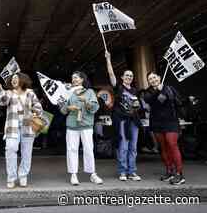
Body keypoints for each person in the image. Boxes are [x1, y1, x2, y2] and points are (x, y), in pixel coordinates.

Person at [0, 73, 43, 189]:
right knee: (10, 148)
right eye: (12, 79)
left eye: (16, 78)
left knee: (26, 152)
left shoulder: (30, 92)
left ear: (22, 80)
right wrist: (0, 89)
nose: (14, 80)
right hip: (12, 125)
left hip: (28, 124)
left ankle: (23, 175)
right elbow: (1, 101)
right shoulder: (9, 93)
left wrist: (34, 112)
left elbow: (39, 108)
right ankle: (11, 177)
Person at [60, 71, 103, 185]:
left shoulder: (89, 92)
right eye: (72, 78)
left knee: (88, 149)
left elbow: (95, 107)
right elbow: (62, 110)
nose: (74, 79)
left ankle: (92, 174)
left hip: (86, 124)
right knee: (71, 149)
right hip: (72, 125)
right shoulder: (68, 93)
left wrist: (86, 101)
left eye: (76, 78)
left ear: (82, 79)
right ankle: (73, 174)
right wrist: (69, 108)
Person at [105, 51, 142, 181]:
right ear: (122, 77)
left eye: (131, 75)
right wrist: (108, 59)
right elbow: (110, 73)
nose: (129, 77)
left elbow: (137, 106)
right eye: (126, 75)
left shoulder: (135, 90)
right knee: (124, 146)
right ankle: (122, 171)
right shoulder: (118, 88)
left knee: (133, 147)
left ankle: (132, 171)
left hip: (134, 121)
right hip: (122, 120)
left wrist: (137, 105)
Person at [144, 72, 185, 185]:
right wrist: (158, 90)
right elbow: (150, 101)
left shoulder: (169, 88)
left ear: (159, 77)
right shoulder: (147, 92)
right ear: (148, 81)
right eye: (150, 79)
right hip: (157, 123)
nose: (153, 80)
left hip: (171, 121)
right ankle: (169, 171)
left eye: (154, 77)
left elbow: (178, 101)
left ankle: (179, 174)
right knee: (163, 147)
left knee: (172, 144)